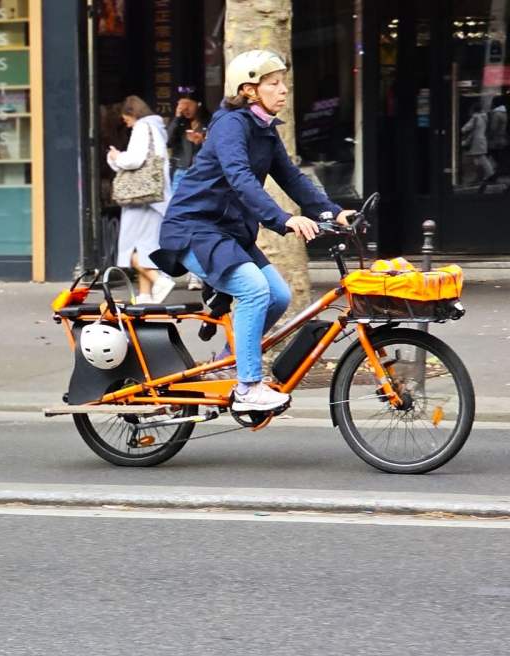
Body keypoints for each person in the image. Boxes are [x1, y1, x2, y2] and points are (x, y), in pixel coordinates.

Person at [153, 50, 354, 413]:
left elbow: (292, 177)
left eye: (283, 82)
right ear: (248, 90)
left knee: (277, 296)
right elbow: (240, 179)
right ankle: (247, 387)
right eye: (273, 83)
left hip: (229, 233)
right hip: (195, 228)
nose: (283, 90)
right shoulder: (231, 125)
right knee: (254, 291)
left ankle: (228, 362)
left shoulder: (264, 129)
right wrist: (283, 219)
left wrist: (335, 213)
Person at [107, 96, 175, 304]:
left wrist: (116, 157)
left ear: (132, 113)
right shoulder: (156, 128)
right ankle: (145, 294)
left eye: (125, 118)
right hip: (156, 197)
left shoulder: (141, 127)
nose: (125, 122)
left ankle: (159, 281)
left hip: (140, 198)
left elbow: (135, 159)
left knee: (129, 248)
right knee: (146, 246)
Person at [167, 86, 210, 290]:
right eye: (182, 105)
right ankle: (178, 267)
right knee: (180, 222)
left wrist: (203, 142)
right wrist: (176, 117)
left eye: (188, 105)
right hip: (182, 174)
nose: (186, 109)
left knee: (200, 222)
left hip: (202, 175)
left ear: (198, 104)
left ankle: (197, 273)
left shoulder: (209, 123)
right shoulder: (180, 123)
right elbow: (167, 140)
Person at [460, 101, 495, 187]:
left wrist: (461, 130)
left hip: (476, 141)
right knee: (479, 157)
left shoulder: (475, 117)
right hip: (481, 139)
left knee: (479, 157)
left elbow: (465, 128)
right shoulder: (484, 117)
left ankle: (489, 174)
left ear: (474, 110)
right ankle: (485, 175)